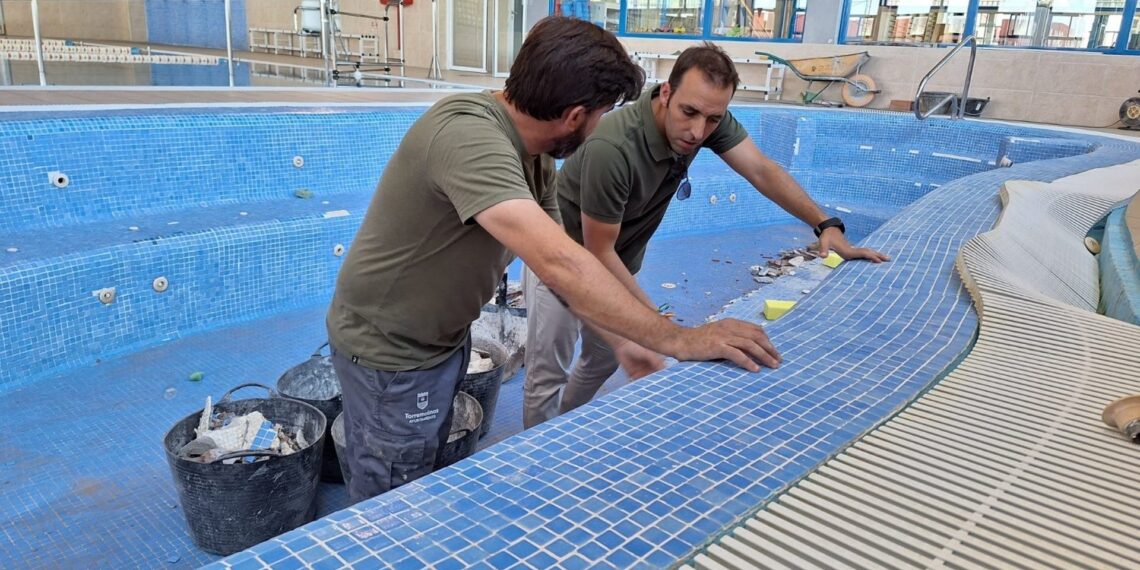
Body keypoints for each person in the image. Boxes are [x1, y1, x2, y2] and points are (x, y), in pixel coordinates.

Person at [327, 19, 781, 502]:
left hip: (441, 341)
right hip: (392, 354)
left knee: (421, 468)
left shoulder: (534, 154)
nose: (603, 126)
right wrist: (677, 339)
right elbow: (560, 261)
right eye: (602, 113)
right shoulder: (469, 137)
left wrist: (627, 344)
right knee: (391, 499)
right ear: (575, 115)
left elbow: (561, 262)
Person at [522, 42, 890, 429]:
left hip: (615, 264)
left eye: (713, 119)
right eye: (689, 113)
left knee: (603, 357)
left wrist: (826, 224)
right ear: (666, 93)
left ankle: (563, 429)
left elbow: (762, 170)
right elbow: (597, 252)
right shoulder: (613, 148)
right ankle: (531, 457)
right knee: (549, 373)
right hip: (560, 259)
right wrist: (665, 334)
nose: (698, 131)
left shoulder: (705, 116)